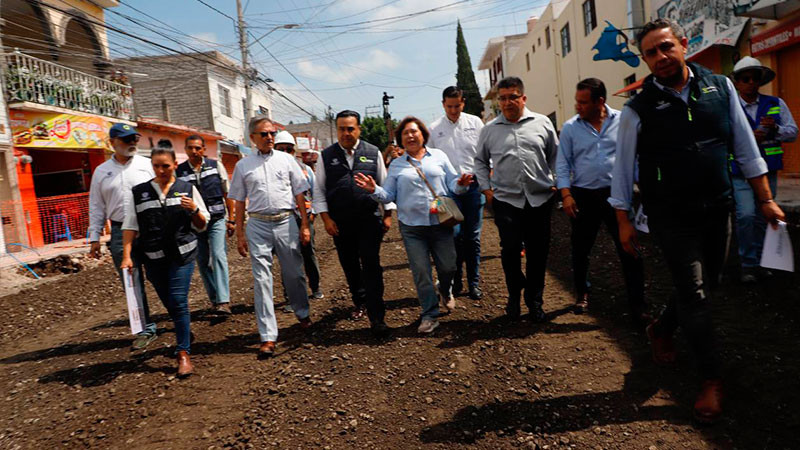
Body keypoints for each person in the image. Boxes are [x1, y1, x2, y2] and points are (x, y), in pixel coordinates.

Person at [608, 18, 785, 423]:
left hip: (717, 206)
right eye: (651, 52)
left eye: (666, 47)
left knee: (709, 282)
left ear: (684, 44)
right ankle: (711, 379)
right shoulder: (638, 108)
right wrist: (623, 220)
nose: (660, 57)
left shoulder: (720, 88)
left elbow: (744, 145)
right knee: (696, 293)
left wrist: (766, 200)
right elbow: (622, 168)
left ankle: (662, 328)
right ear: (645, 59)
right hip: (669, 214)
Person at [355, 116, 473, 334]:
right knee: (421, 272)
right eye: (405, 133)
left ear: (423, 134)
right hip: (412, 227)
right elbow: (389, 194)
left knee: (449, 266)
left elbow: (453, 184)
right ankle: (429, 314)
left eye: (414, 131)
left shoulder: (438, 156)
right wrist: (374, 190)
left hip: (441, 223)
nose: (410, 136)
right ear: (400, 139)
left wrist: (462, 184)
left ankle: (444, 289)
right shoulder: (397, 165)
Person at [555, 78, 648, 329]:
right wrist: (566, 195)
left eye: (583, 102)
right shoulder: (571, 128)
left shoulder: (623, 122)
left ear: (600, 102)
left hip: (617, 194)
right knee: (580, 248)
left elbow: (636, 156)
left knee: (629, 248)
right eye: (577, 101)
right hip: (583, 195)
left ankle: (638, 305)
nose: (578, 106)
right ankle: (582, 294)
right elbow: (562, 164)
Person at [474, 76, 559, 323]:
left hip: (540, 200)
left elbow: (555, 156)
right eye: (502, 98)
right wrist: (486, 190)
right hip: (506, 201)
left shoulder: (542, 123)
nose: (508, 102)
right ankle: (514, 294)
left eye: (513, 96)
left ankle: (534, 301)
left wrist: (554, 180)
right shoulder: (489, 130)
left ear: (523, 98)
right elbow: (479, 161)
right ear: (497, 102)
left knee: (538, 253)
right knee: (510, 249)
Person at [120, 145, 210, 378]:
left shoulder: (186, 189)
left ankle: (183, 353)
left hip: (182, 255)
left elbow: (202, 224)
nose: (161, 170)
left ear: (174, 166)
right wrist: (127, 255)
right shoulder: (139, 192)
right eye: (156, 166)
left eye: (166, 166)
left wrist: (194, 210)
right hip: (153, 257)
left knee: (179, 301)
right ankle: (184, 330)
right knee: (168, 300)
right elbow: (130, 226)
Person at [228, 116, 313, 358]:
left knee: (294, 273)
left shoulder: (287, 160)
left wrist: (304, 225)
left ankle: (302, 313)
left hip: (286, 222)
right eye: (264, 134)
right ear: (252, 138)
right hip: (258, 225)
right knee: (262, 280)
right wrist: (240, 234)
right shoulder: (244, 166)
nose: (269, 138)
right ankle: (267, 335)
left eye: (272, 133)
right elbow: (239, 200)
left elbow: (299, 194)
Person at [312, 110, 394, 336]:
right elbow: (318, 191)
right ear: (337, 130)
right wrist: (326, 219)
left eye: (350, 128)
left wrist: (387, 214)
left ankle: (377, 318)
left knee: (371, 266)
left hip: (369, 220)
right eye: (341, 129)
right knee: (350, 266)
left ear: (358, 129)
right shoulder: (326, 156)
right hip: (341, 224)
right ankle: (360, 302)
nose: (346, 133)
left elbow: (385, 187)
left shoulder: (372, 152)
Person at [87, 123, 158, 351]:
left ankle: (178, 318)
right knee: (131, 279)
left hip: (150, 229)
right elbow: (96, 205)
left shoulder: (147, 165)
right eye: (126, 139)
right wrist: (94, 236)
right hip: (119, 231)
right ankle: (144, 328)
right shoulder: (101, 171)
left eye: (134, 139)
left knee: (161, 276)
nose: (132, 143)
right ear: (112, 143)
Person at [729, 56, 798, 282]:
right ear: (737, 82)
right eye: (745, 79)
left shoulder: (775, 103)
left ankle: (763, 261)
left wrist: (775, 130)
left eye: (755, 78)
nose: (751, 82)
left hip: (768, 171)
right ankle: (748, 263)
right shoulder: (729, 107)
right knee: (746, 215)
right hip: (740, 171)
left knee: (762, 216)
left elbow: (793, 132)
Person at [428, 86, 486, 300]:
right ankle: (457, 280)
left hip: (473, 186)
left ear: (463, 103)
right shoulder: (434, 129)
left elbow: (483, 154)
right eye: (449, 106)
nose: (453, 110)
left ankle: (473, 282)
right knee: (454, 236)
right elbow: (430, 160)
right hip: (449, 191)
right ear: (443, 104)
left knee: (472, 237)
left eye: (457, 105)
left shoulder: (476, 124)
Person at [176, 135, 235, 314]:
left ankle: (224, 301)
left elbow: (227, 193)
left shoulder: (216, 166)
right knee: (202, 262)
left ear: (203, 150)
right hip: (195, 222)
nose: (194, 151)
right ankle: (215, 299)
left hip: (217, 219)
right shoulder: (179, 172)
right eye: (190, 148)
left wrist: (231, 219)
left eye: (197, 148)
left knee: (218, 256)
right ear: (185, 149)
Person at [274, 130, 323, 300]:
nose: (286, 153)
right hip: (283, 221)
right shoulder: (271, 171)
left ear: (294, 151)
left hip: (305, 219)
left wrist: (311, 216)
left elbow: (316, 194)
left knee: (308, 254)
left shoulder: (306, 170)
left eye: (289, 149)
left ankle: (315, 288)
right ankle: (290, 295)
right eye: (281, 149)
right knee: (287, 259)